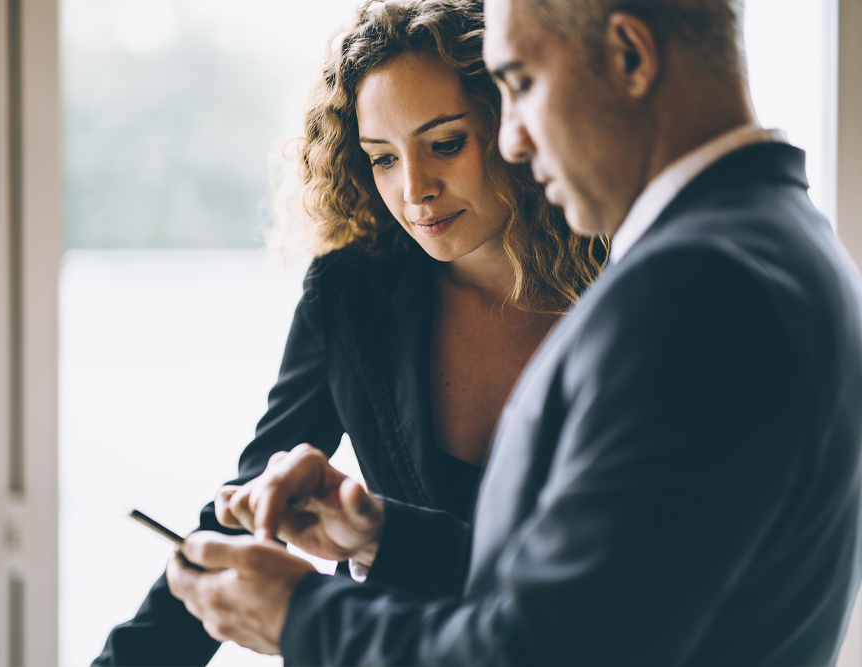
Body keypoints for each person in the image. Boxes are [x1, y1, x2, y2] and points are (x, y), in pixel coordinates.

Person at [164, 0, 862, 664]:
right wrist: (386, 535)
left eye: (521, 84)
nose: (515, 137)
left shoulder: (688, 287)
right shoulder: (790, 244)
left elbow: (549, 653)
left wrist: (299, 615)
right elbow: (622, 591)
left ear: (629, 56)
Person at [94, 1, 603, 664]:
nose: (415, 189)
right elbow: (253, 503)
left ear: (515, 125)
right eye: (382, 159)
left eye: (444, 143)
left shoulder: (616, 289)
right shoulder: (354, 292)